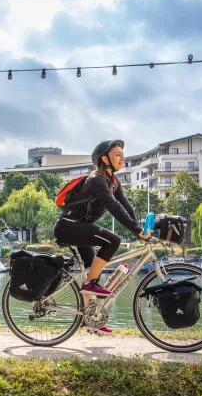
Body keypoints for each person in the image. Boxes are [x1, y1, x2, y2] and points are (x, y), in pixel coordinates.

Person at [54, 139, 151, 333]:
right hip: (69, 226)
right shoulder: (97, 180)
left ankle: (90, 318)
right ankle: (91, 283)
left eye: (123, 155)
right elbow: (113, 206)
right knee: (113, 241)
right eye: (117, 155)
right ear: (104, 159)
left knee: (93, 271)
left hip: (80, 227)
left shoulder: (113, 182)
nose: (122, 158)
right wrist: (135, 229)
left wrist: (139, 229)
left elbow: (125, 206)